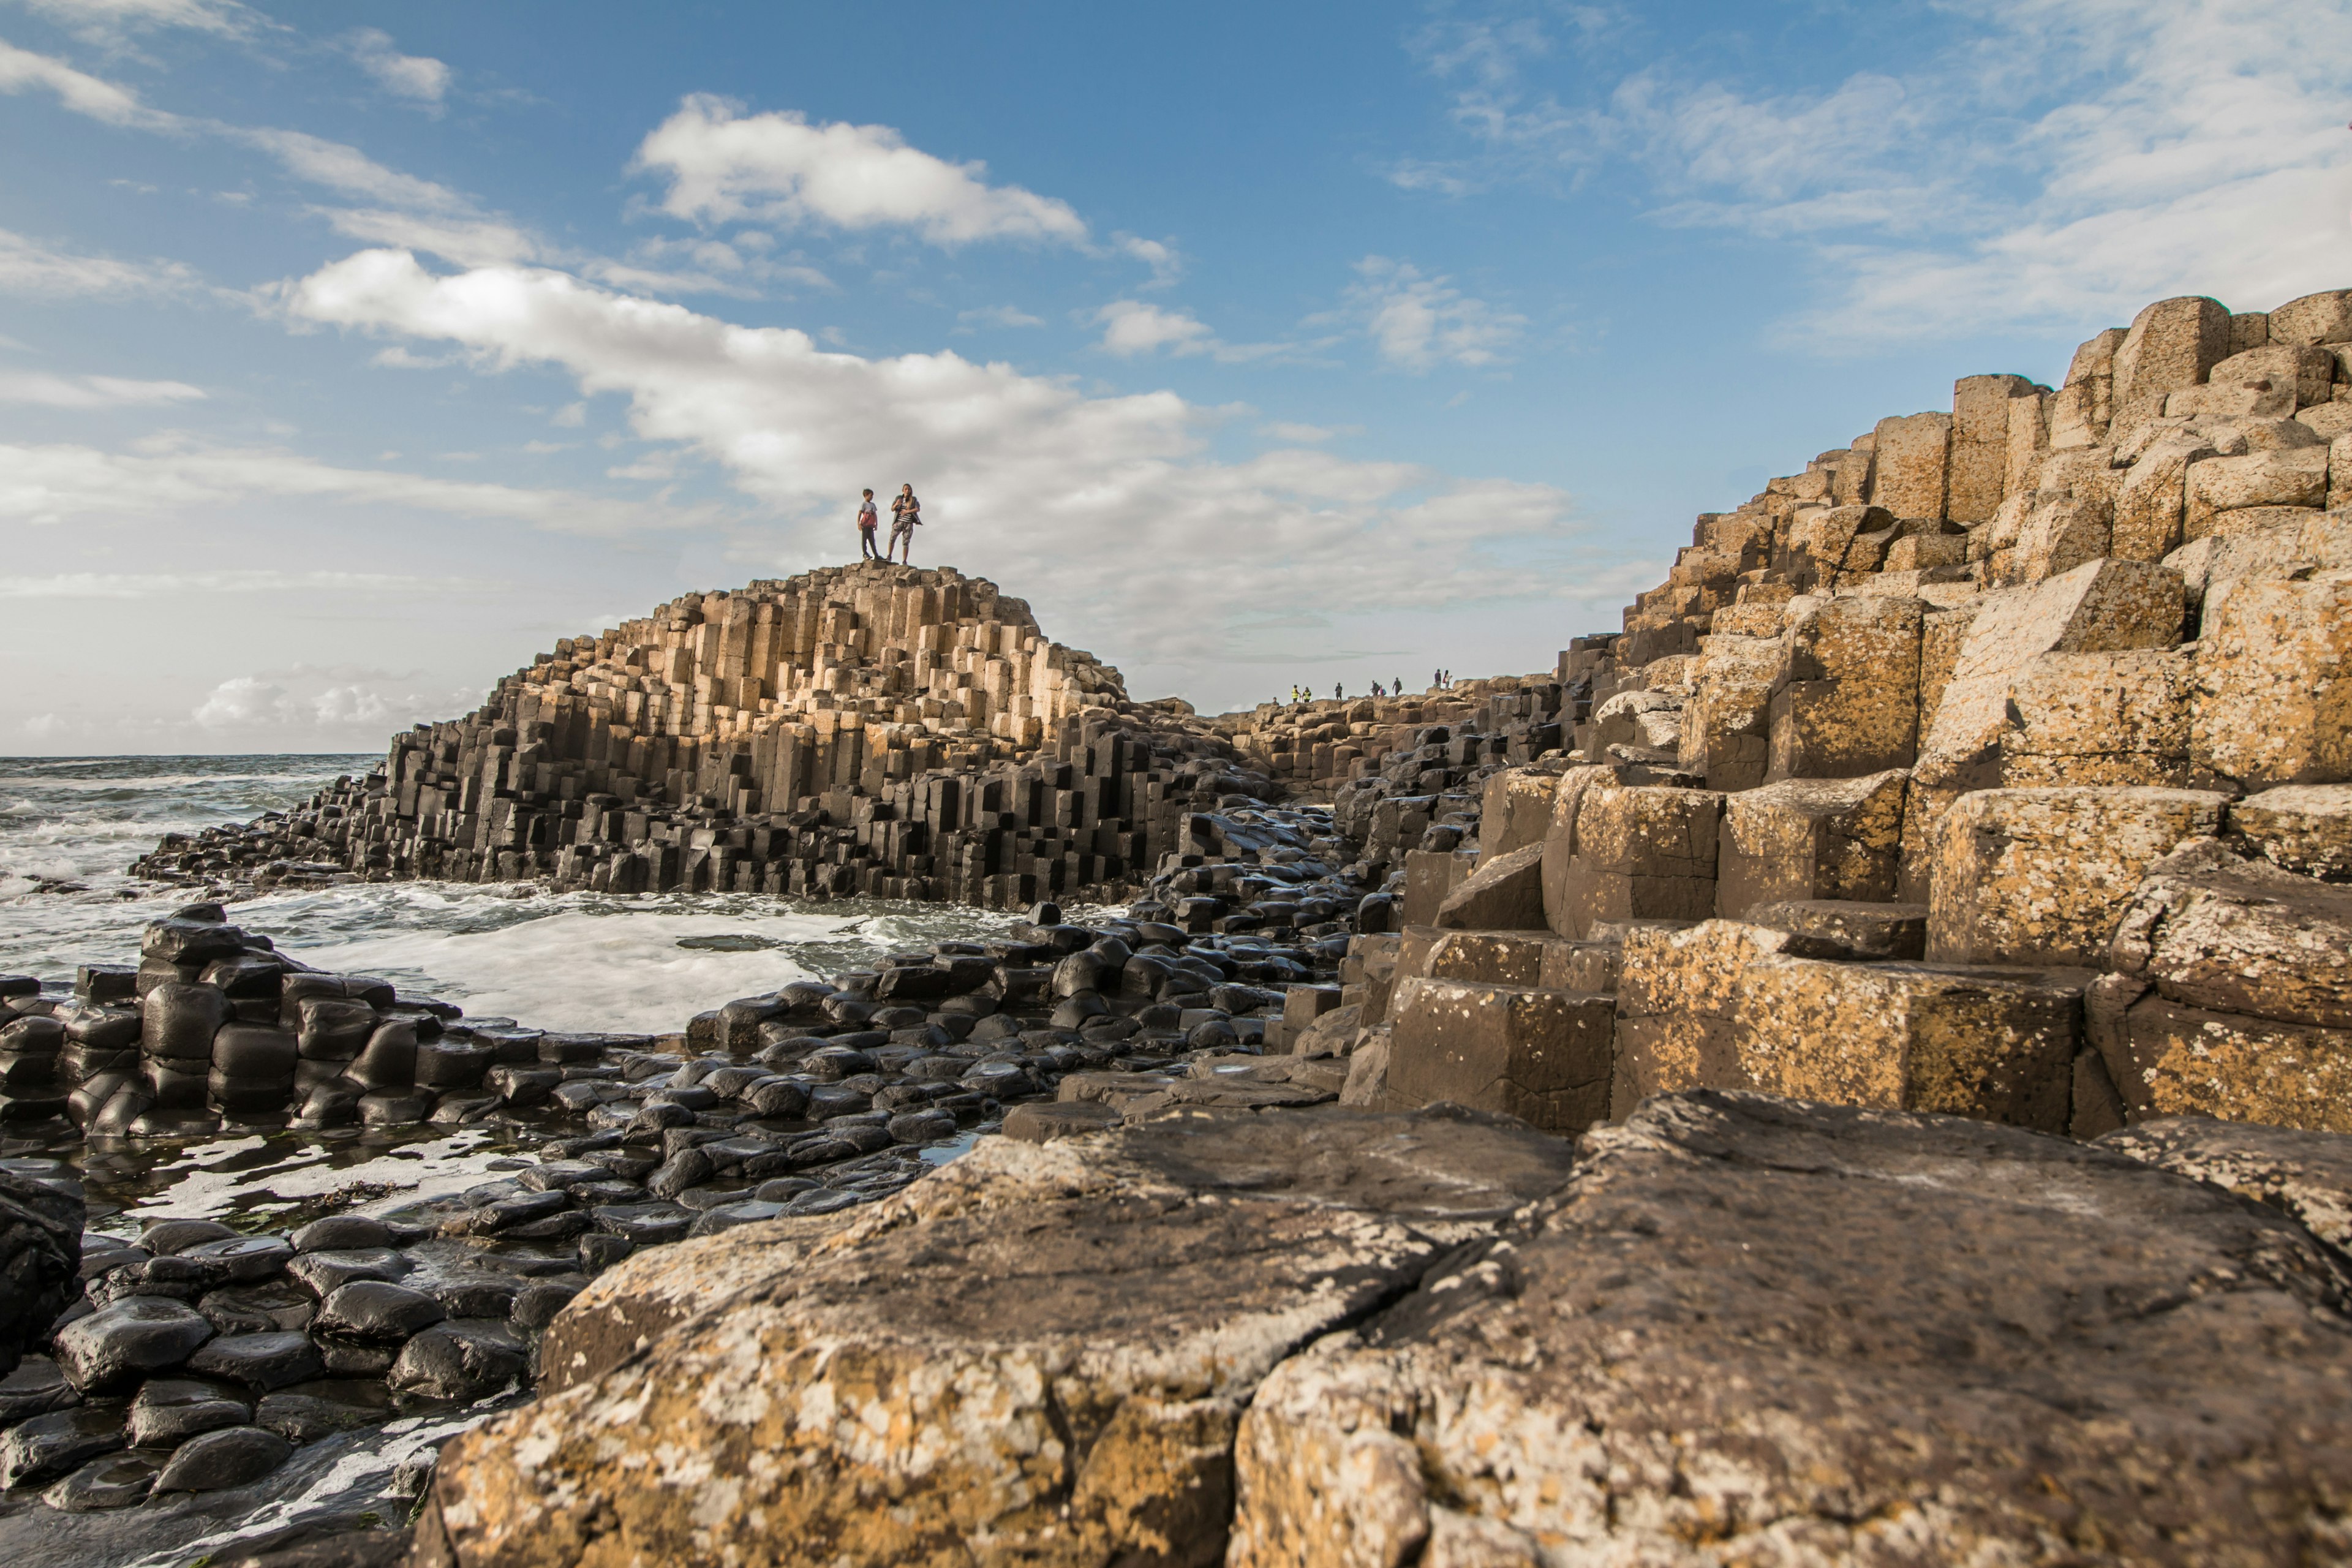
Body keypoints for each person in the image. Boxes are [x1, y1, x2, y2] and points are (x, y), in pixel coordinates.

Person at [888, 483, 922, 564]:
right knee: (892, 538)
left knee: (906, 542)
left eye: (909, 489)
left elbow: (917, 509)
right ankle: (889, 556)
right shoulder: (899, 498)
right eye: (906, 489)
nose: (907, 491)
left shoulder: (913, 500)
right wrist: (896, 504)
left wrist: (907, 512)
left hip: (908, 523)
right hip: (899, 522)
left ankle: (904, 560)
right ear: (903, 490)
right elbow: (892, 509)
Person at [856, 488, 880, 560]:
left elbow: (875, 514)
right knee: (864, 540)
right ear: (866, 495)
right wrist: (858, 524)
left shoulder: (873, 505)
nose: (872, 497)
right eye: (871, 495)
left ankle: (876, 555)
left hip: (871, 525)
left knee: (872, 540)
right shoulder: (864, 504)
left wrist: (876, 524)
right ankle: (865, 553)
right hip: (865, 525)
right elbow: (860, 513)